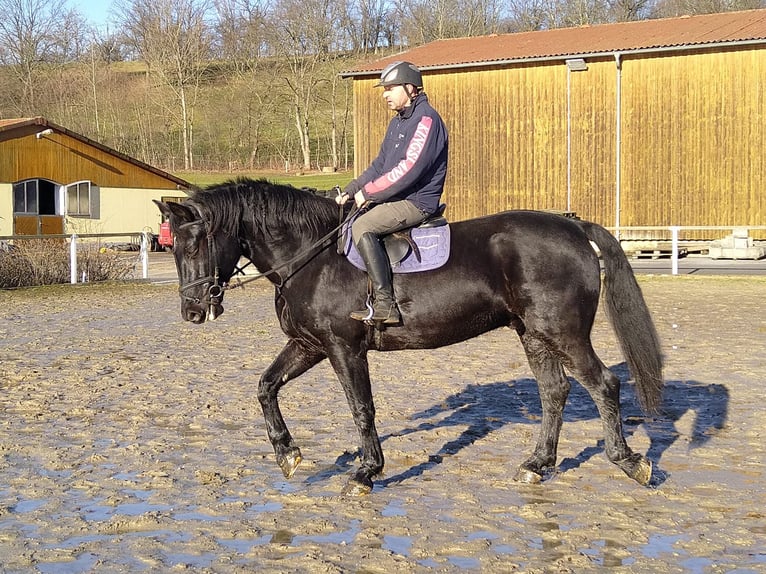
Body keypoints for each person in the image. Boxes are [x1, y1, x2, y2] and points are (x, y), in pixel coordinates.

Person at [336, 61, 449, 325]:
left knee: (363, 226)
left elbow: (409, 169)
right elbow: (380, 165)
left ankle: (385, 304)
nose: (385, 94)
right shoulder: (398, 123)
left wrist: (371, 193)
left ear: (410, 88)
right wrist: (353, 190)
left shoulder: (426, 120)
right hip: (397, 197)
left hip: (416, 202)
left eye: (390, 88)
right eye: (384, 89)